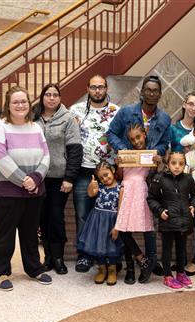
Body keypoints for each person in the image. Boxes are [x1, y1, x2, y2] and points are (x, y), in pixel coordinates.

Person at [0, 86, 51, 291]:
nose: (20, 105)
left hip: (33, 190)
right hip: (7, 191)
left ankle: (34, 268)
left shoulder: (35, 127)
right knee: (4, 234)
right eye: (15, 102)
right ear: (7, 105)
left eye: (24, 101)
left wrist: (36, 177)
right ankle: (2, 272)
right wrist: (24, 180)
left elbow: (46, 155)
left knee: (30, 232)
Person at [107, 75, 171, 278]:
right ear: (141, 92)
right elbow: (111, 134)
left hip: (149, 179)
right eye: (148, 90)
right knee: (126, 223)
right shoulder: (126, 112)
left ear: (160, 94)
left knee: (147, 222)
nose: (151, 93)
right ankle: (135, 264)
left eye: (155, 91)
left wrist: (156, 153)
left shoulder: (164, 119)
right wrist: (126, 152)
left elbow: (165, 143)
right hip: (128, 176)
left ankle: (150, 260)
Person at [69, 75, 119, 273]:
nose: (97, 91)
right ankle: (84, 255)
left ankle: (109, 255)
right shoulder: (76, 110)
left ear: (106, 88)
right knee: (82, 215)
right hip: (83, 172)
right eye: (93, 87)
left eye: (101, 87)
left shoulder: (116, 111)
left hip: (108, 175)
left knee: (109, 216)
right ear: (87, 88)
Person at [33, 83, 82, 275]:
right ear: (42, 97)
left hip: (59, 178)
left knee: (55, 217)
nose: (51, 98)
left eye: (55, 95)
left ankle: (58, 257)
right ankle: (47, 258)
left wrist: (69, 177)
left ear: (60, 98)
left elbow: (75, 150)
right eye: (48, 95)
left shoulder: (68, 119)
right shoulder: (33, 118)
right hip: (37, 178)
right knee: (42, 218)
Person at [169, 92, 195, 276]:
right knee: (179, 222)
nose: (193, 108)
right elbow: (168, 154)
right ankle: (181, 259)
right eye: (190, 104)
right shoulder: (174, 128)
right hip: (180, 183)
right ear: (184, 105)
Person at [147, 151, 195, 291]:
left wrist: (194, 205)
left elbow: (194, 195)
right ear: (168, 164)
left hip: (184, 221)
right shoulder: (159, 178)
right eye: (173, 163)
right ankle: (168, 276)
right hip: (168, 220)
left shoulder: (188, 179)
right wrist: (159, 211)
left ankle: (181, 273)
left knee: (182, 250)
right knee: (167, 250)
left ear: (184, 165)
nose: (177, 166)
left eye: (181, 163)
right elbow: (151, 198)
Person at [114, 123, 156, 284]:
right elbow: (119, 175)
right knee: (123, 229)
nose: (136, 141)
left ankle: (151, 260)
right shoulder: (126, 153)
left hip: (141, 190)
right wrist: (118, 164)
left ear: (144, 134)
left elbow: (156, 171)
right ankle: (141, 258)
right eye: (132, 139)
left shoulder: (151, 152)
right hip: (126, 189)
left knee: (147, 227)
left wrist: (158, 161)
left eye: (138, 137)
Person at [77, 161, 123, 286]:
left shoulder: (120, 187)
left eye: (107, 174)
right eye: (101, 177)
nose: (105, 179)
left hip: (112, 221)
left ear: (113, 171)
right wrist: (91, 185)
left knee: (112, 245)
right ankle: (102, 269)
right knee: (98, 244)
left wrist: (117, 226)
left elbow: (120, 208)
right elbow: (90, 194)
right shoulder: (100, 187)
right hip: (97, 221)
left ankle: (112, 270)